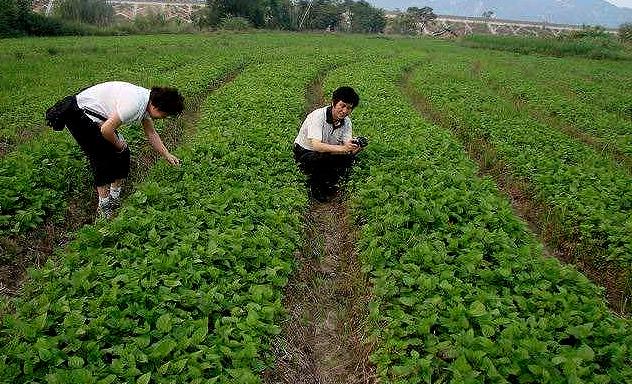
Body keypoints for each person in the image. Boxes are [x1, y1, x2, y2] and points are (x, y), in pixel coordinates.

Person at [63, 81, 184, 218]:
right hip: (80, 113)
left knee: (123, 154)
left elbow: (151, 133)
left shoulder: (148, 100)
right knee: (102, 158)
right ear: (157, 107)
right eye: (165, 115)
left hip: (98, 116)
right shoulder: (134, 104)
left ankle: (115, 196)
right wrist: (118, 144)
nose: (163, 118)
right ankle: (104, 208)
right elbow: (106, 129)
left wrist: (166, 154)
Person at [293, 86, 364, 202]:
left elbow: (346, 143)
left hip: (327, 151)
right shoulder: (317, 116)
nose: (345, 111)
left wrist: (354, 146)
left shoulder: (346, 122)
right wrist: (343, 149)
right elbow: (316, 146)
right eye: (342, 106)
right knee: (323, 158)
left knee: (348, 157)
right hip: (306, 152)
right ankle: (316, 190)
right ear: (333, 103)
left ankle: (331, 181)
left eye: (349, 108)